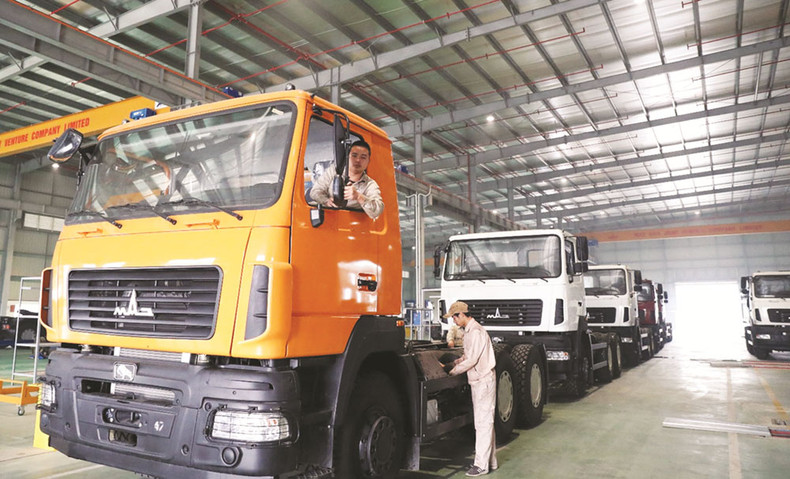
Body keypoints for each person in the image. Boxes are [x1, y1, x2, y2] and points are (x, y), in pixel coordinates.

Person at [442, 301, 498, 477]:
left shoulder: (476, 332)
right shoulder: (471, 332)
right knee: (486, 422)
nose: (453, 321)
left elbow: (472, 360)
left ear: (461, 315)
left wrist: (452, 371)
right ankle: (491, 461)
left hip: (483, 381)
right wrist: (455, 362)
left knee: (483, 424)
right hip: (479, 380)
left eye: (454, 317)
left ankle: (481, 465)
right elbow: (468, 356)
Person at [309, 140, 384, 219]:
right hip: (327, 219)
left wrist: (358, 197)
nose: (358, 160)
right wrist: (326, 201)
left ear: (369, 161)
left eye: (363, 157)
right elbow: (315, 192)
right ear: (347, 157)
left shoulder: (370, 184)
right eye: (354, 155)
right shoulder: (334, 172)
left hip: (350, 225)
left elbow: (378, 210)